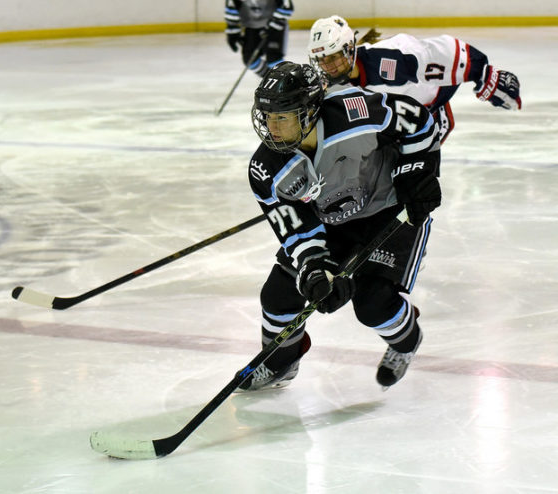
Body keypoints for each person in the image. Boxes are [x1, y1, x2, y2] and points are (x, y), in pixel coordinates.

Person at [239, 61, 441, 392]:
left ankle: (407, 341)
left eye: (281, 118)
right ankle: (279, 362)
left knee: (374, 304)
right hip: (333, 218)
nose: (271, 128)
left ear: (308, 112)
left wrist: (417, 173)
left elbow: (417, 120)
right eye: (267, 117)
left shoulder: (353, 111)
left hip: (390, 210)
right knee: (278, 295)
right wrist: (316, 271)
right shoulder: (267, 168)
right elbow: (298, 232)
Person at [307, 16, 522, 143]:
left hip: (427, 113)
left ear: (349, 49)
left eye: (334, 56)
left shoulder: (391, 58)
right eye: (321, 59)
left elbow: (439, 51)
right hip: (392, 124)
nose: (329, 66)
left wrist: (482, 73)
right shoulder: (328, 85)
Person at [224, 0, 294, 78]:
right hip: (251, 26)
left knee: (274, 58)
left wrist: (274, 24)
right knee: (249, 59)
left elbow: (286, 5)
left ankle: (286, 81)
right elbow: (232, 5)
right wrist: (233, 31)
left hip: (275, 25)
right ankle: (271, 78)